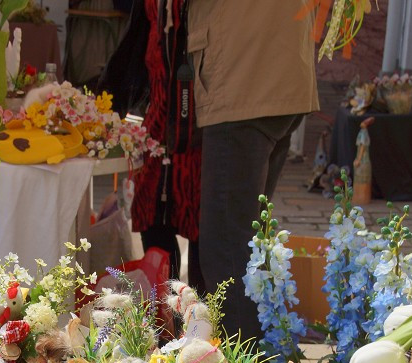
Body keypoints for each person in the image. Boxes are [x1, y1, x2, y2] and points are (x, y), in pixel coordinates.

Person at [187, 0, 320, 341]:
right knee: (249, 244)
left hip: (243, 74)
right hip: (280, 66)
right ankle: (259, 361)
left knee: (228, 249)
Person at [100, 0, 203, 291]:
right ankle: (167, 311)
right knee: (152, 214)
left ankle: (206, 316)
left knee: (202, 226)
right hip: (159, 121)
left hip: (201, 123)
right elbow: (136, 42)